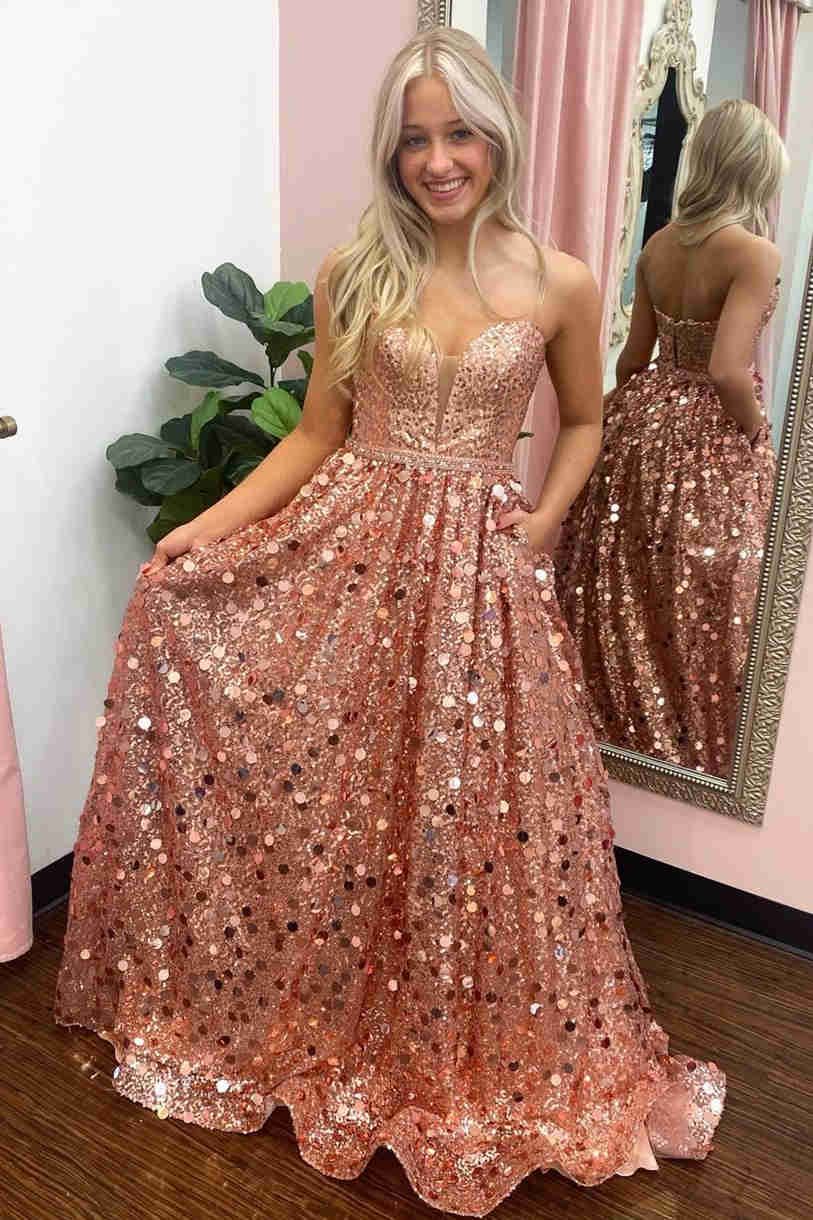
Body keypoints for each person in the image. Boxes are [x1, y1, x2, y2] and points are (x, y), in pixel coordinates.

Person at [54, 28, 725, 1217]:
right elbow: (319, 433)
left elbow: (584, 417)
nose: (439, 160)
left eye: (459, 133)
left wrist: (545, 520)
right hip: (355, 564)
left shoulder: (561, 280)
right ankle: (331, 1016)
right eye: (415, 139)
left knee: (469, 816)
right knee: (342, 804)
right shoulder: (355, 270)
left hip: (481, 585)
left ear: (498, 137)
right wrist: (206, 525)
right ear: (391, 153)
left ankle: (445, 1040)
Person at [554, 99, 786, 777]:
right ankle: (696, 746)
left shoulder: (659, 245)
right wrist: (756, 431)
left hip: (641, 423)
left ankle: (615, 733)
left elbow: (632, 360)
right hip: (708, 436)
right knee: (707, 591)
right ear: (754, 170)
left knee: (627, 580)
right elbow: (727, 370)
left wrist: (631, 420)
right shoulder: (754, 252)